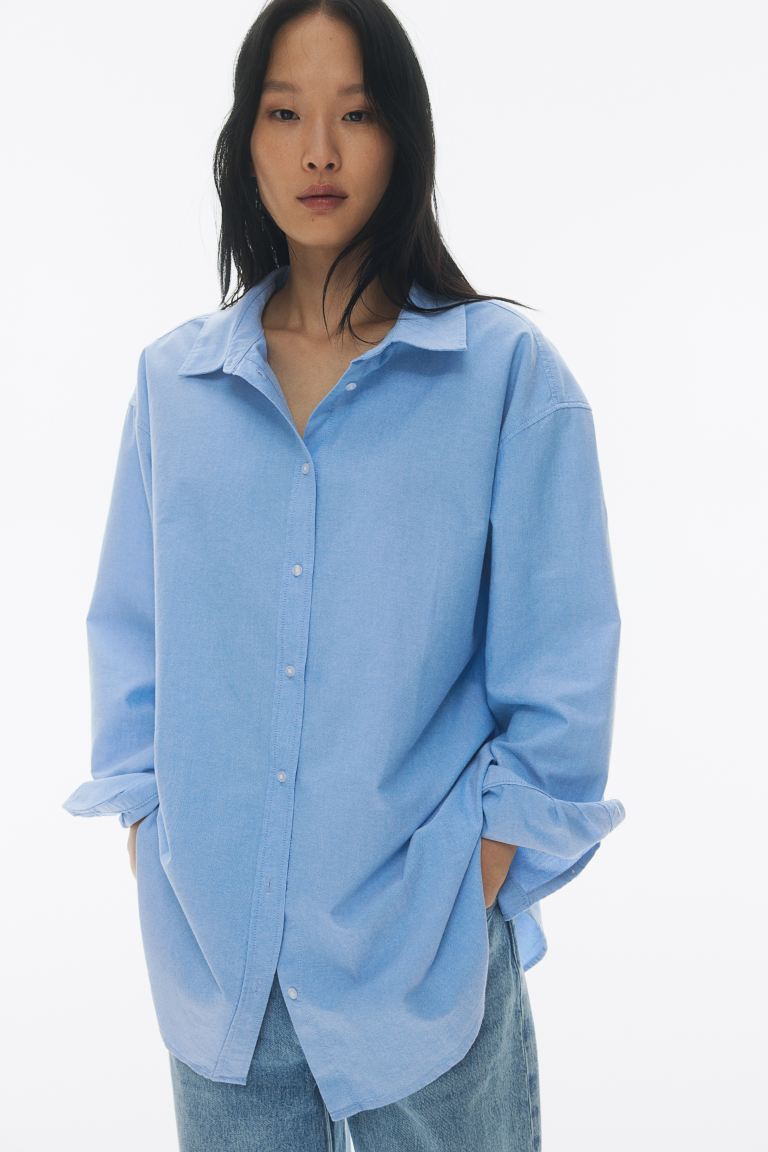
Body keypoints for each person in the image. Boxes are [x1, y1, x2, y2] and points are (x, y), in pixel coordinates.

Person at [62, 1, 626, 1148]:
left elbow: (562, 675)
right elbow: (132, 640)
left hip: (423, 974)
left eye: (356, 114)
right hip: (220, 971)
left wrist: (464, 890)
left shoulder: (508, 378)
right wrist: (154, 839)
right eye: (285, 114)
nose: (318, 150)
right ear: (244, 142)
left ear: (404, 135)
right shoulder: (174, 385)